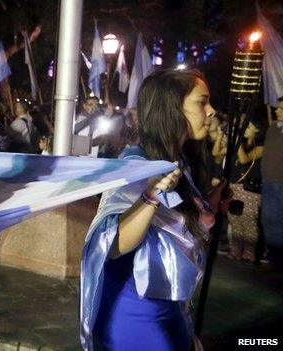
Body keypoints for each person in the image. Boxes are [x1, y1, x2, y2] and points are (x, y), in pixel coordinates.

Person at [80, 69, 225, 351]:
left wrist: (214, 200)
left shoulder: (181, 162)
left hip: (174, 308)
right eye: (201, 102)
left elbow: (181, 229)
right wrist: (151, 193)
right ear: (172, 108)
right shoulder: (137, 163)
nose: (211, 111)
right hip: (135, 314)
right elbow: (113, 243)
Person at [227, 119, 265, 261]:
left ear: (258, 129)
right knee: (235, 220)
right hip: (235, 186)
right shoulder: (242, 144)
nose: (245, 128)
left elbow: (244, 159)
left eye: (249, 125)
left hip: (249, 188)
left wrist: (237, 139)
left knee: (248, 221)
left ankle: (249, 254)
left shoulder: (261, 145)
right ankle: (235, 252)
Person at [261, 96, 283, 271]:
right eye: (277, 107)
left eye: (282, 108)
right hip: (269, 182)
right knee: (270, 220)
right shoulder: (273, 128)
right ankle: (275, 259)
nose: (277, 110)